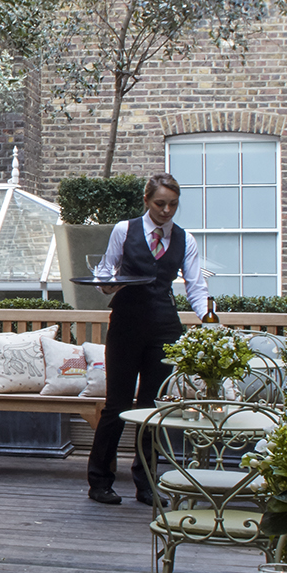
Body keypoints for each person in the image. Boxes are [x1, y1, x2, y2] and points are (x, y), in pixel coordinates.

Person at [85, 173, 212, 505]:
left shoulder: (186, 239)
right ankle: (99, 481)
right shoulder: (124, 230)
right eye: (160, 204)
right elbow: (104, 270)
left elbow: (196, 287)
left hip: (164, 329)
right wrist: (106, 285)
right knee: (117, 405)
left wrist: (209, 321)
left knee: (153, 409)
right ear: (146, 201)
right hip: (126, 325)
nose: (167, 211)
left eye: (172, 204)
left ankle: (146, 483)